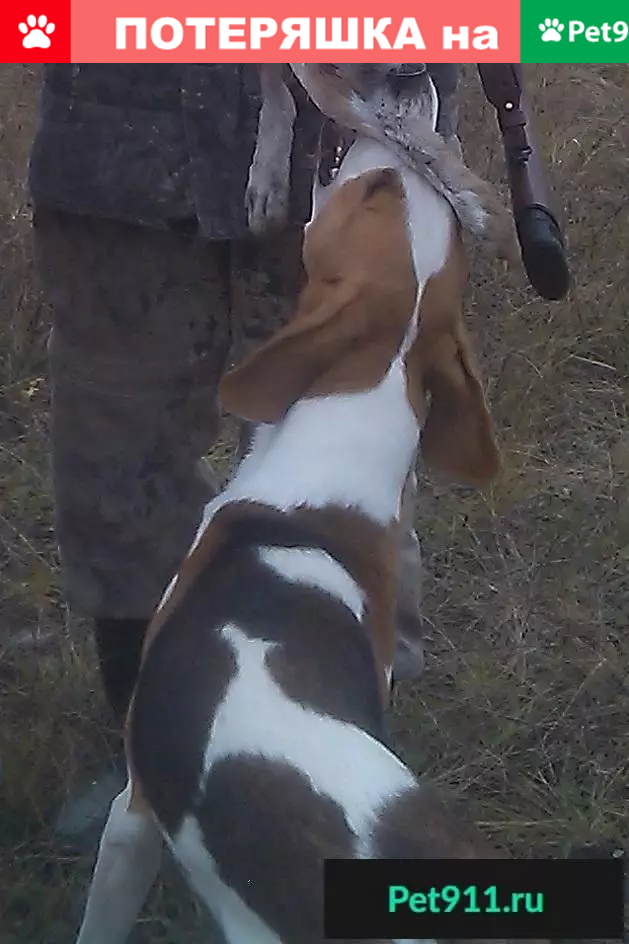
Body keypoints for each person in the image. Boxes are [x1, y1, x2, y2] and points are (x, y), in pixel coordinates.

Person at [27, 63, 462, 842]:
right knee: (117, 461)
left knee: (347, 455)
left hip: (346, 136)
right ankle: (149, 758)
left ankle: (351, 750)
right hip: (119, 147)